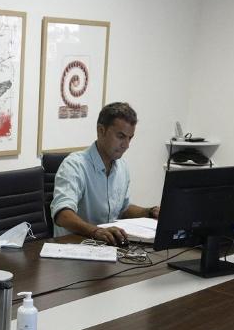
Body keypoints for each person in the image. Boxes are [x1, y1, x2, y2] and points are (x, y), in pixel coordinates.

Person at [50, 102, 160, 245]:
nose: (126, 145)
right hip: (74, 250)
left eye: (130, 138)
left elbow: (123, 209)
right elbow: (62, 215)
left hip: (107, 249)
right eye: (121, 136)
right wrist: (95, 231)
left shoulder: (122, 167)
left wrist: (150, 212)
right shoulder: (74, 165)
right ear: (101, 131)